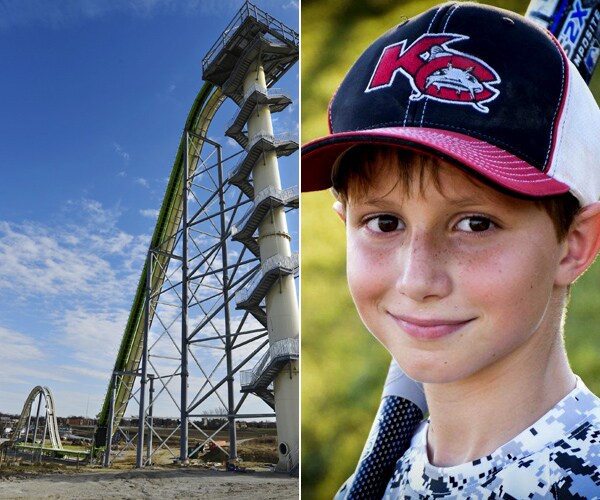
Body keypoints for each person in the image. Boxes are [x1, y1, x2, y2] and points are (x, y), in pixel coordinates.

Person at [301, 2, 600, 497]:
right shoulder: (371, 484)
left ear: (575, 244)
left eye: (475, 224)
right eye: (384, 222)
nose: (417, 280)